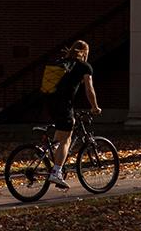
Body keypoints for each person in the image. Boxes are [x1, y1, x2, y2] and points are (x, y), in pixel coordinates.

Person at [47, 39, 101, 189]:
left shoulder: (63, 63)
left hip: (50, 102)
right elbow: (89, 90)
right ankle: (56, 172)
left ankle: (49, 158)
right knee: (67, 139)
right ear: (84, 53)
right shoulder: (84, 67)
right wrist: (95, 107)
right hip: (64, 104)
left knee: (60, 135)